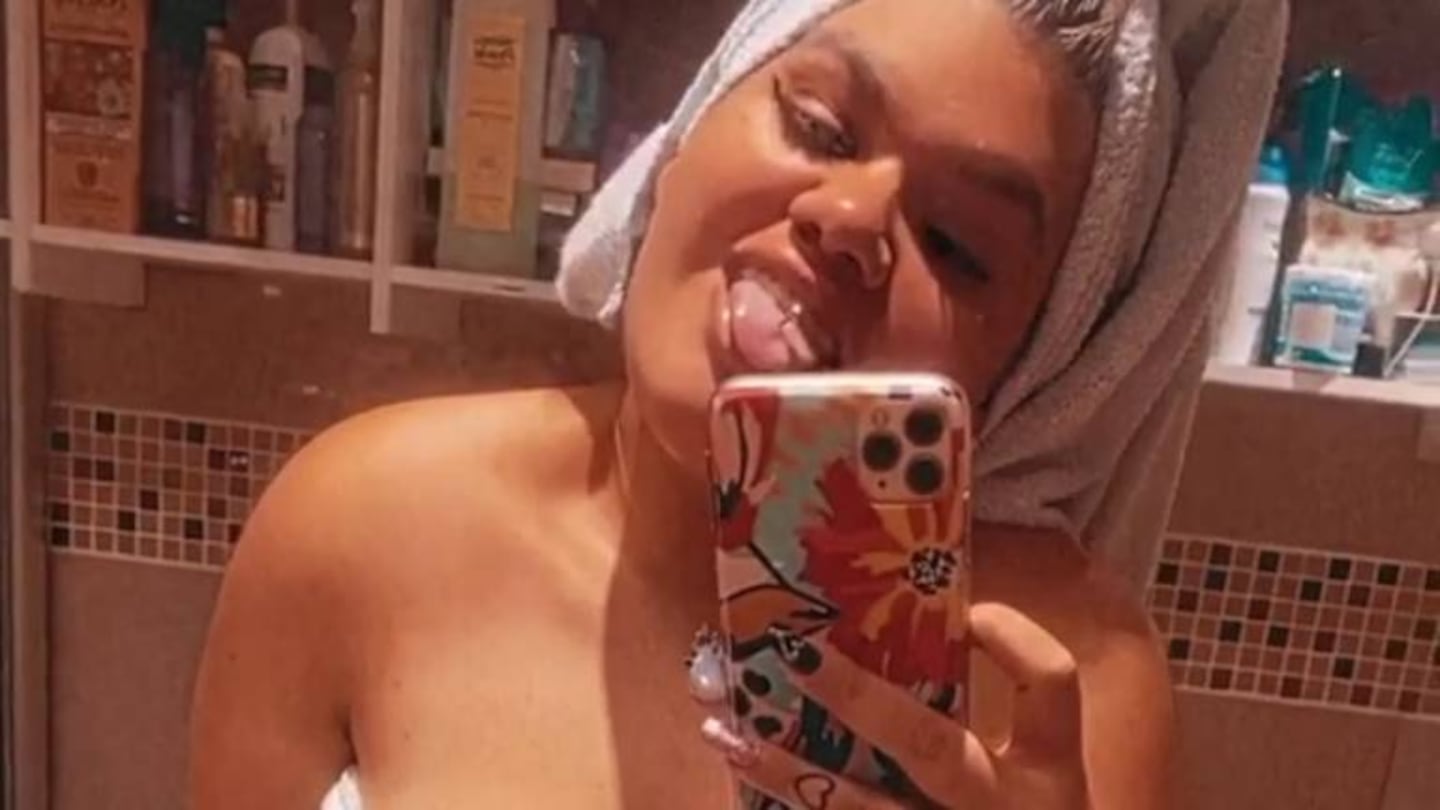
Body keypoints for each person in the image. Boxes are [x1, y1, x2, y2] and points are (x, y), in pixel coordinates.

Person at [189, 0, 1287, 807]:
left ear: (1036, 371)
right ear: (686, 135)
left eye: (956, 244)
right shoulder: (367, 522)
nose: (850, 217)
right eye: (819, 126)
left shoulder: (1063, 684)